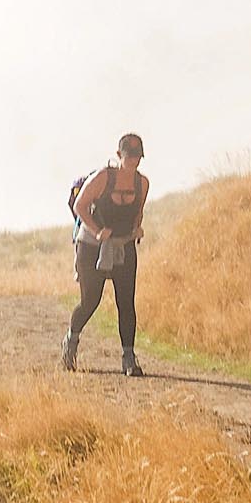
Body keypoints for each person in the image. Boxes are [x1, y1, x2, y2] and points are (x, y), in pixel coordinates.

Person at [62, 133, 149, 378]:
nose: (133, 161)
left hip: (123, 245)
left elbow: (138, 211)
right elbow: (80, 205)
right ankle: (71, 340)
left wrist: (137, 228)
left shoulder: (142, 183)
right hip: (91, 246)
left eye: (138, 157)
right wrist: (98, 230)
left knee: (126, 302)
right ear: (119, 155)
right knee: (91, 300)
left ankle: (129, 358)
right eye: (129, 156)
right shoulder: (103, 177)